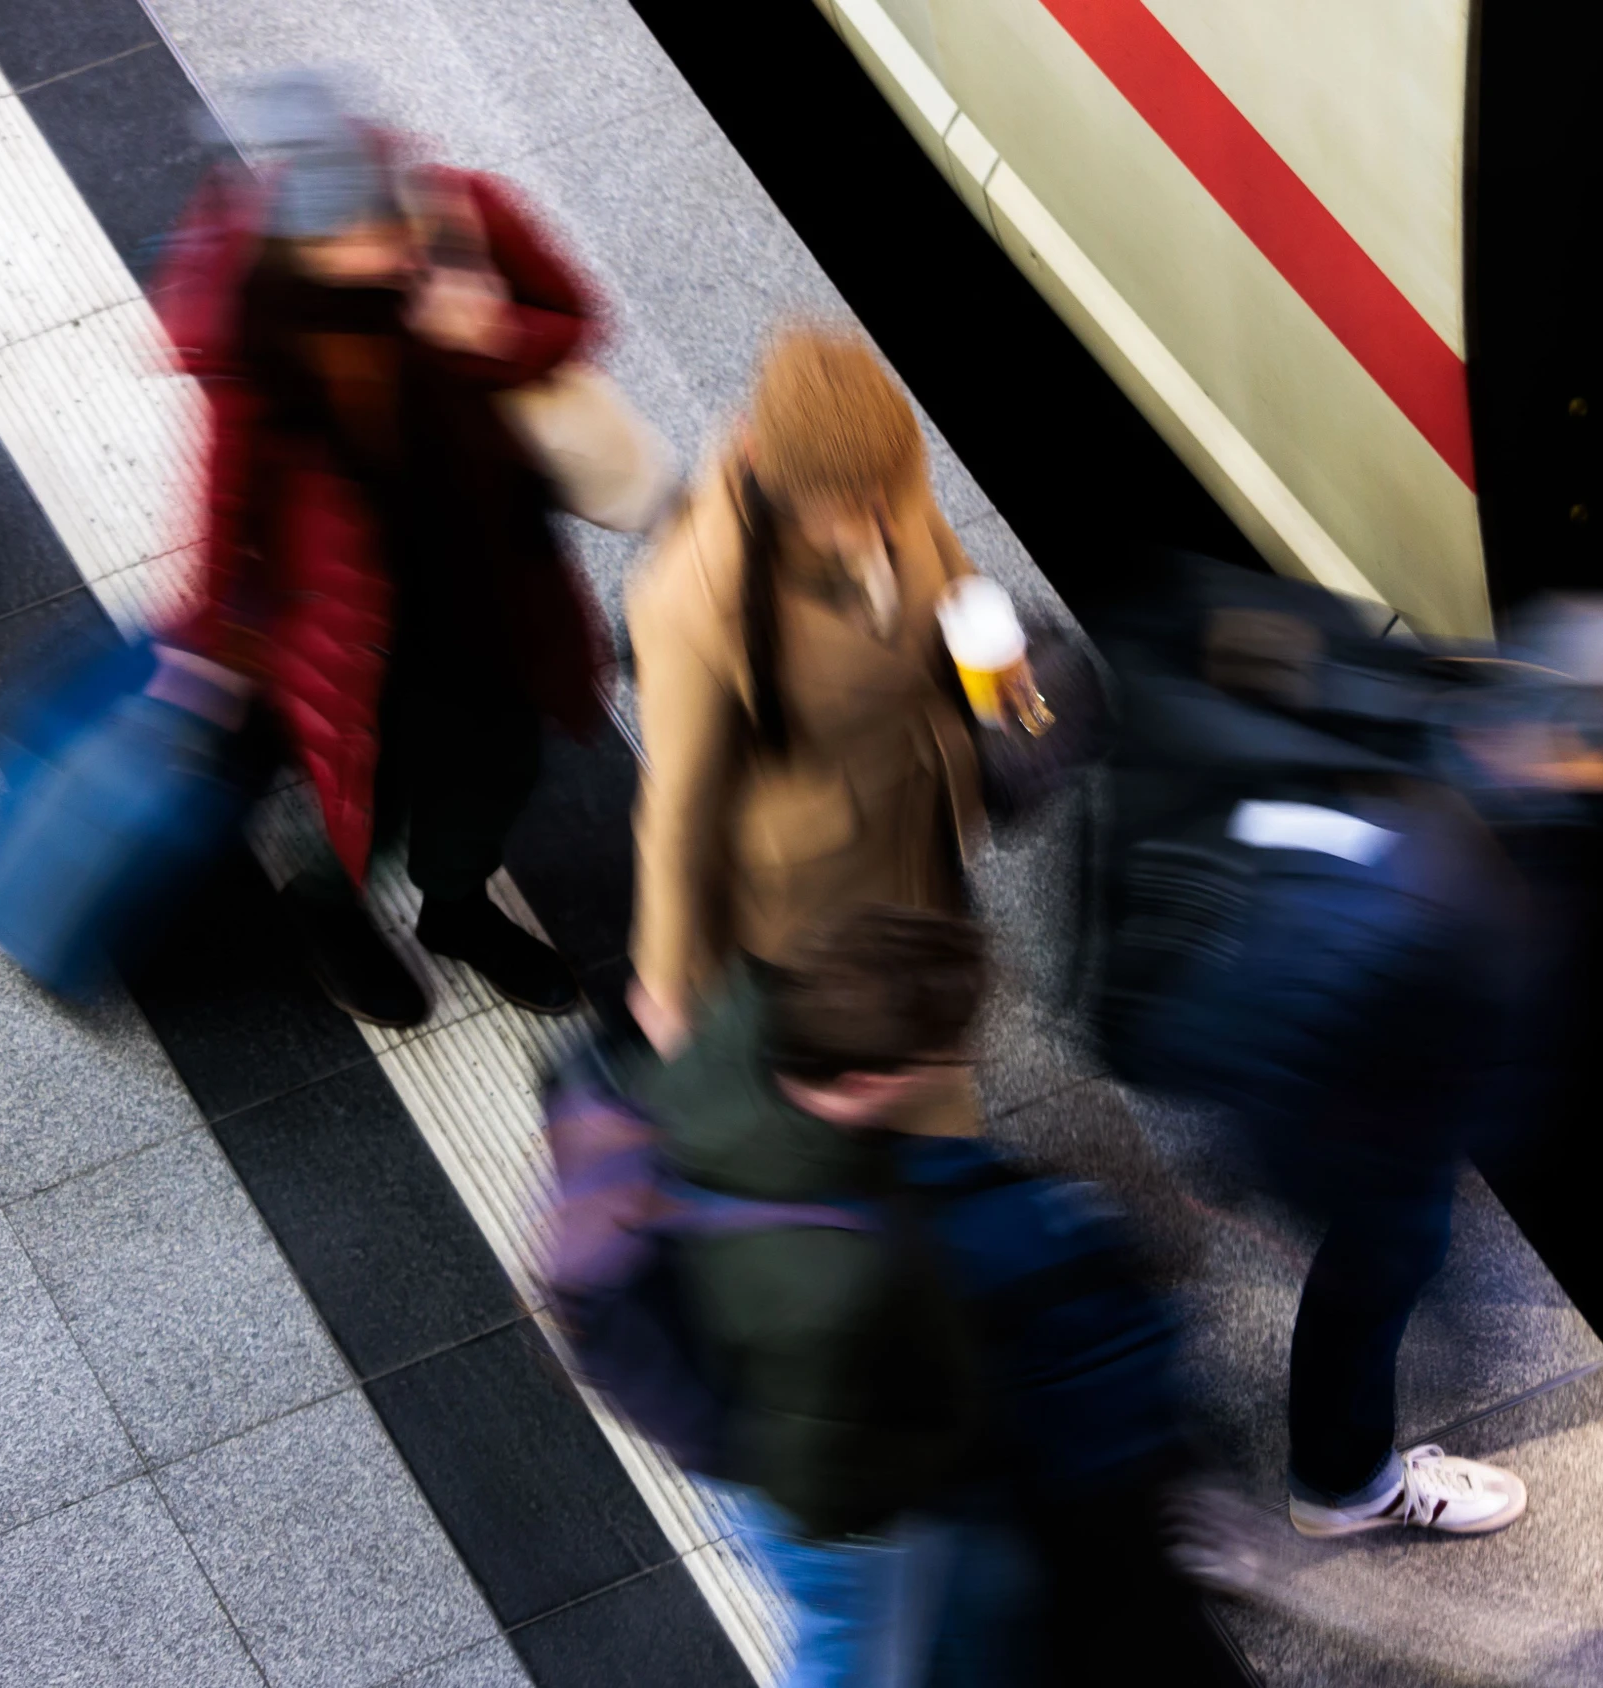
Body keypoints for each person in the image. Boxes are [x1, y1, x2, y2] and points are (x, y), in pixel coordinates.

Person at [153, 73, 613, 1027]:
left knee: (499, 766)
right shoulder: (261, 313)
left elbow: (575, 316)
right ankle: (325, 906)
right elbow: (230, 485)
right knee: (375, 786)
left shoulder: (463, 215)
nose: (395, 248)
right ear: (307, 245)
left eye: (388, 220)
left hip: (493, 580)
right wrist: (204, 633)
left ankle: (457, 909)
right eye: (360, 238)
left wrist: (493, 330)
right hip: (355, 621)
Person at [1091, 560, 1533, 1542]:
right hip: (1287, 1062)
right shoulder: (1340, 891)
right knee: (1391, 1242)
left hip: (1242, 1018)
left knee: (1394, 1225)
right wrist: (1403, 1212)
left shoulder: (1199, 720)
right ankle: (1345, 1484)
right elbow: (1299, 1134)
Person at [630, 904, 1020, 1686]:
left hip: (740, 1365)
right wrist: (916, 1472)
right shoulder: (837, 1284)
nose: (962, 1062)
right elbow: (818, 1490)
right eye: (945, 1054)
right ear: (867, 1082)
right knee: (854, 1658)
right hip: (834, 1515)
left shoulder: (739, 1022)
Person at [625, 328, 985, 1095]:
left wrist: (995, 648)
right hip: (816, 887)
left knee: (923, 1005)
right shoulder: (693, 602)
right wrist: (665, 979)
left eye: (894, 493)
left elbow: (947, 563)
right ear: (774, 477)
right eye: (856, 510)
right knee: (856, 1066)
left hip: (918, 804)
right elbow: (679, 806)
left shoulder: (878, 468)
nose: (890, 524)